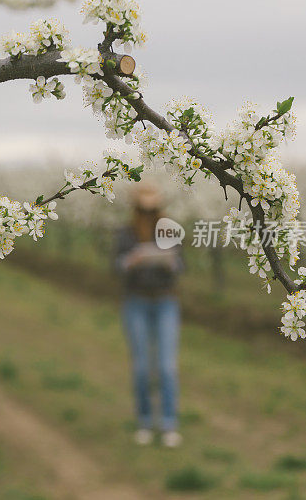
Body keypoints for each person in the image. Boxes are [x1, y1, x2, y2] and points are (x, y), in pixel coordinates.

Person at [115, 183, 183, 448]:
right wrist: (131, 262)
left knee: (166, 366)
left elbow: (181, 264)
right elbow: (116, 264)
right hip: (136, 301)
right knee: (142, 367)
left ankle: (168, 423)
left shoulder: (169, 230)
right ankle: (144, 421)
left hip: (166, 300)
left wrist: (169, 261)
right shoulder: (126, 232)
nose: (148, 213)